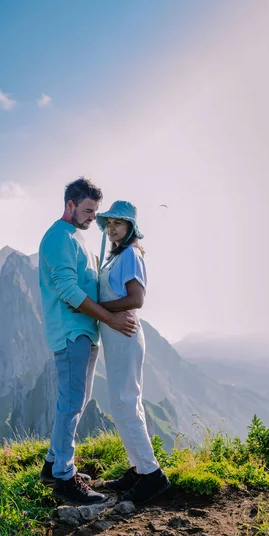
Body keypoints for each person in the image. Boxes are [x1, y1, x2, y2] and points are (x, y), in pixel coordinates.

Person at [38, 179, 138, 505]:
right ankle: (65, 479)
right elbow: (67, 289)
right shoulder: (57, 238)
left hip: (83, 331)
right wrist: (110, 318)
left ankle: (54, 465)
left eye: (95, 212)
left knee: (76, 400)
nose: (93, 218)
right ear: (70, 205)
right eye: (88, 211)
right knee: (71, 402)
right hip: (71, 334)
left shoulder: (74, 237)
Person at [96, 200, 171, 503]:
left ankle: (152, 475)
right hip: (117, 338)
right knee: (127, 404)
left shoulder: (129, 254)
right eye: (109, 222)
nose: (112, 227)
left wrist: (98, 308)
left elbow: (135, 298)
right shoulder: (116, 256)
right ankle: (138, 468)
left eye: (119, 222)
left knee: (125, 403)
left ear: (131, 227)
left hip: (124, 336)